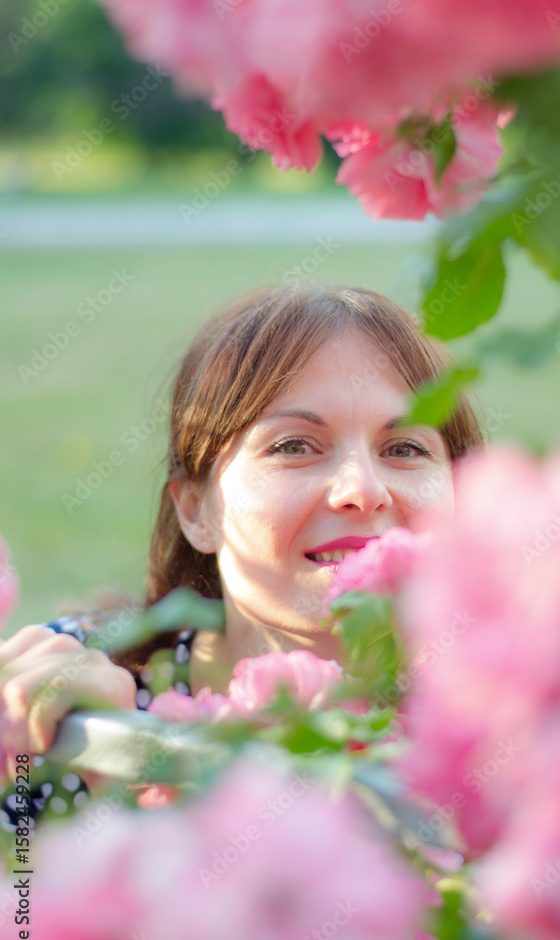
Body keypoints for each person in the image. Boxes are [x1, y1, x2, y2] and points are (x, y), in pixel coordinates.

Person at [0, 283, 482, 811]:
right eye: (293, 446)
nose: (362, 490)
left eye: (406, 448)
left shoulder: (520, 723)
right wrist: (103, 750)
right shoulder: (77, 698)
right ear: (194, 510)